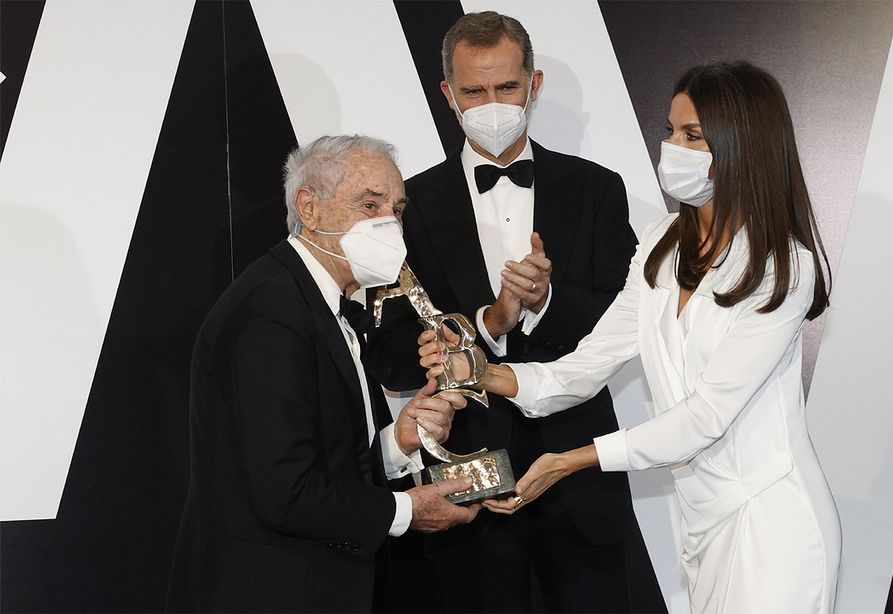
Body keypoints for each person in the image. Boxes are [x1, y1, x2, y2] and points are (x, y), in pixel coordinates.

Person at [421, 61, 843, 614]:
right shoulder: (663, 240)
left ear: (743, 144)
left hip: (773, 518)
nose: (673, 147)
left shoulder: (784, 267)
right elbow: (588, 363)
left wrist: (567, 461)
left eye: (692, 135)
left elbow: (706, 418)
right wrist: (481, 372)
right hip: (702, 521)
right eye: (670, 131)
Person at [366, 11, 644, 613]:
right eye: (474, 91)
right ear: (448, 95)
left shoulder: (597, 189)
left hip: (577, 475)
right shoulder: (408, 206)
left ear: (534, 85)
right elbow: (386, 353)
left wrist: (545, 303)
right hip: (464, 481)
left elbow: (628, 319)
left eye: (507, 87)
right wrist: (489, 322)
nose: (493, 104)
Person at [166, 135, 480, 613]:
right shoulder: (272, 311)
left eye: (396, 210)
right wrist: (408, 511)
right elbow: (286, 493)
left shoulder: (320, 304)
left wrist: (399, 442)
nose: (389, 225)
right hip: (266, 593)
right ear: (308, 209)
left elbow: (320, 461)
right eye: (368, 204)